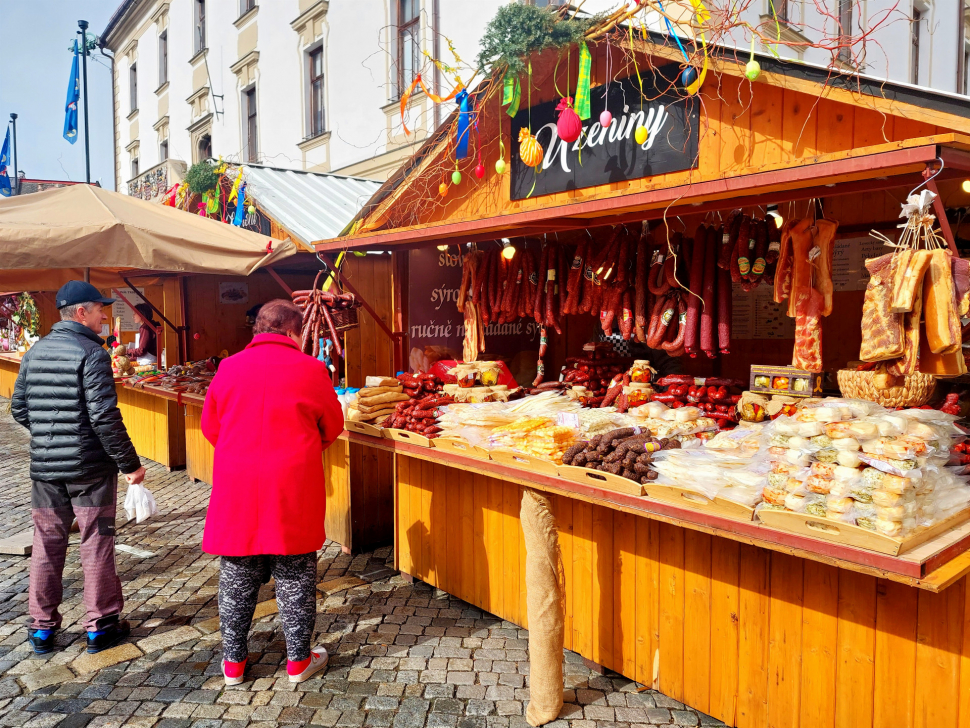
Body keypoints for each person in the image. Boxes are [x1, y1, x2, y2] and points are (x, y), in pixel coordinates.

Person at [201, 299, 344, 685]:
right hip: (292, 482)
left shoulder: (228, 368)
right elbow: (332, 426)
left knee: (237, 572)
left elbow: (210, 427)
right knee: (295, 570)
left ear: (258, 330)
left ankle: (233, 665)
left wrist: (240, 452)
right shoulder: (312, 369)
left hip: (238, 482)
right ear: (293, 332)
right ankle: (298, 661)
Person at [11, 281, 146, 655]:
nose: (106, 315)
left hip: (46, 470)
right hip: (89, 470)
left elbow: (19, 408)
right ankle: (100, 626)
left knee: (47, 545)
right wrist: (130, 465)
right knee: (96, 542)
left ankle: (40, 629)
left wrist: (51, 436)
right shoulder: (91, 352)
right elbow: (104, 415)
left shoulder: (35, 352)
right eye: (100, 309)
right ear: (81, 312)